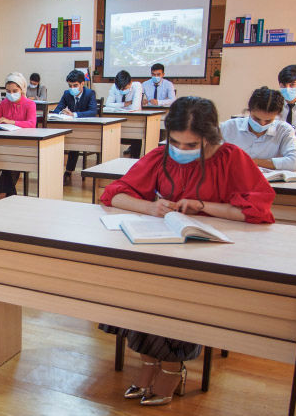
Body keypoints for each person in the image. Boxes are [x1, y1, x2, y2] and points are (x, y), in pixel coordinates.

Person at [99, 96, 275, 406]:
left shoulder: (232, 159)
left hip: (211, 251)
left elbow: (257, 211)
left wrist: (204, 207)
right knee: (138, 283)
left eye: (192, 145)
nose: (181, 150)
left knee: (181, 293)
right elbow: (114, 196)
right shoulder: (161, 156)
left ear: (210, 138)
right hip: (165, 243)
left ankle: (170, 365)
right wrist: (150, 207)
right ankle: (148, 361)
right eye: (176, 142)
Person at [0, 73, 37, 201]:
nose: (11, 94)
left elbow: (31, 123)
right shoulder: (4, 103)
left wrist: (12, 122)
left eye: (15, 91)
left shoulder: (29, 104)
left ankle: (4, 192)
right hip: (4, 143)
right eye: (8, 91)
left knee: (9, 158)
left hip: (22, 145)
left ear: (22, 90)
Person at [221, 87, 296, 171]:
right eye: (257, 119)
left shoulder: (284, 130)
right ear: (249, 111)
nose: (262, 124)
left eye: (268, 120)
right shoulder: (229, 126)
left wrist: (250, 162)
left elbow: (294, 162)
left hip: (268, 182)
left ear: (277, 115)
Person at [53, 69, 98, 182]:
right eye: (70, 85)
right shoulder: (67, 93)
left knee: (74, 144)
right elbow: (57, 109)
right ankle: (55, 172)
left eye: (75, 85)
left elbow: (93, 111)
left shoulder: (90, 93)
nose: (72, 88)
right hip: (70, 127)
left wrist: (74, 114)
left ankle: (68, 171)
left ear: (83, 83)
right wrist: (60, 113)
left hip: (86, 129)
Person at [106, 70, 143, 157]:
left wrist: (116, 106)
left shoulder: (137, 86)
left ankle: (134, 159)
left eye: (125, 88)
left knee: (136, 137)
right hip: (119, 121)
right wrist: (124, 104)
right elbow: (108, 104)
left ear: (130, 83)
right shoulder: (114, 87)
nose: (122, 90)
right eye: (120, 89)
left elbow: (135, 107)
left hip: (134, 122)